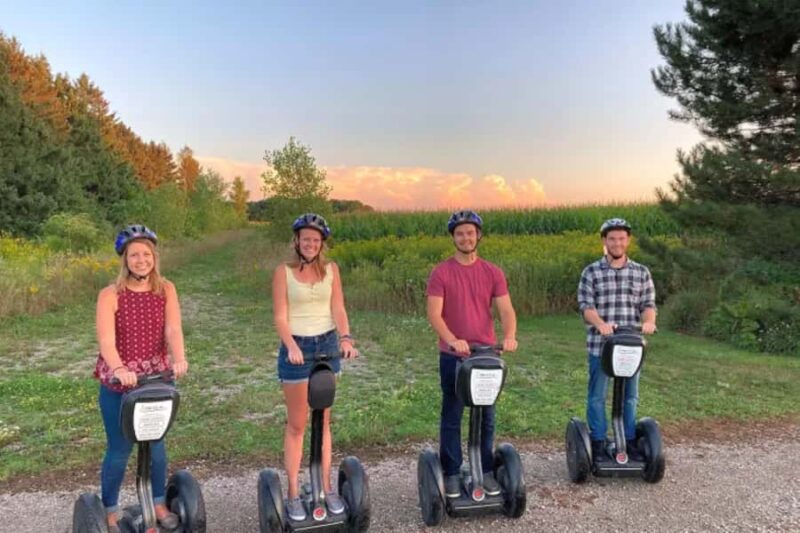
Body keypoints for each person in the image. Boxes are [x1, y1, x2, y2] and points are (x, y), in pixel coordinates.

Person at [93, 224, 189, 532]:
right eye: (134, 254)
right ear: (125, 259)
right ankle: (109, 507)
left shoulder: (166, 289)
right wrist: (121, 369)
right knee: (119, 449)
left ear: (154, 257)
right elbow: (106, 340)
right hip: (121, 383)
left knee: (156, 447)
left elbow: (172, 329)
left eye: (146, 254)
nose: (141, 260)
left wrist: (179, 358)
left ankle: (158, 501)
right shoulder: (110, 295)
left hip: (157, 378)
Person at [425, 209, 518, 499]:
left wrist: (510, 336)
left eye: (470, 232)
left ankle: (485, 470)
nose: (466, 237)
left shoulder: (492, 272)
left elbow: (505, 309)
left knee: (486, 415)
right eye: (460, 233)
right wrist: (453, 340)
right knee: (452, 413)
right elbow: (434, 315)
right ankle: (452, 473)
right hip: (454, 356)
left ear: (478, 235)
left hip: (487, 354)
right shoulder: (442, 272)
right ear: (453, 237)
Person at [272, 213, 358, 521]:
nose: (310, 243)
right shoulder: (284, 272)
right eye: (305, 238)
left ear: (322, 244)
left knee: (324, 421)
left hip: (327, 346)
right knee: (298, 424)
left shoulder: (332, 270)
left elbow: (338, 307)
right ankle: (294, 492)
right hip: (297, 347)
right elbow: (281, 316)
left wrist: (345, 338)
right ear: (297, 241)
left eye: (316, 239)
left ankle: (326, 487)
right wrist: (291, 345)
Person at [577, 218, 657, 463]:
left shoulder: (641, 272)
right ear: (604, 241)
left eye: (621, 238)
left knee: (630, 396)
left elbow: (648, 305)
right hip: (601, 346)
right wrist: (600, 324)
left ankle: (629, 439)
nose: (617, 243)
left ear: (627, 240)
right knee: (598, 396)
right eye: (612, 238)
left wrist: (649, 322)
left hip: (631, 346)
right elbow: (585, 306)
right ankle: (599, 441)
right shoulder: (591, 272)